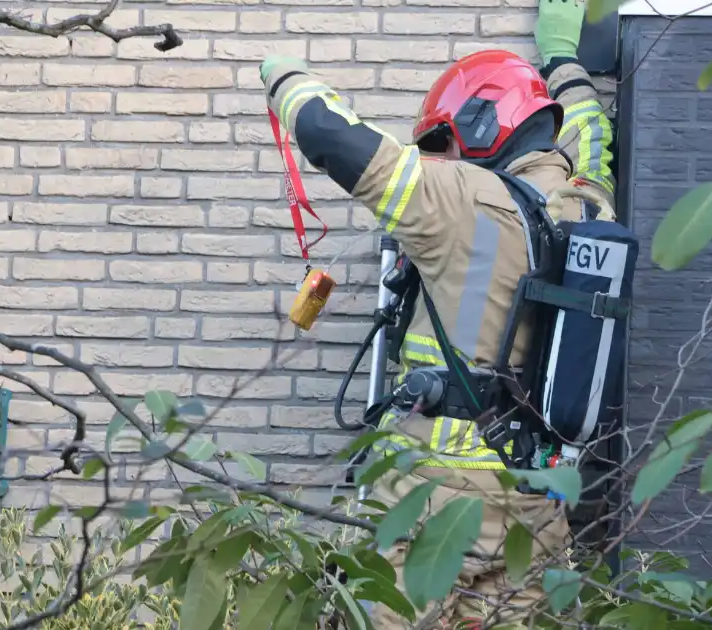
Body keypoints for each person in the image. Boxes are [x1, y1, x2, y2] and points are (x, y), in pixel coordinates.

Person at [259, 0, 616, 627]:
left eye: (445, 141)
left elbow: (332, 137)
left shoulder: (457, 196)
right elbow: (592, 133)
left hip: (435, 504)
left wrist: (284, 76)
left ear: (480, 124)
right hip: (536, 510)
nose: (440, 157)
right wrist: (564, 58)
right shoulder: (588, 205)